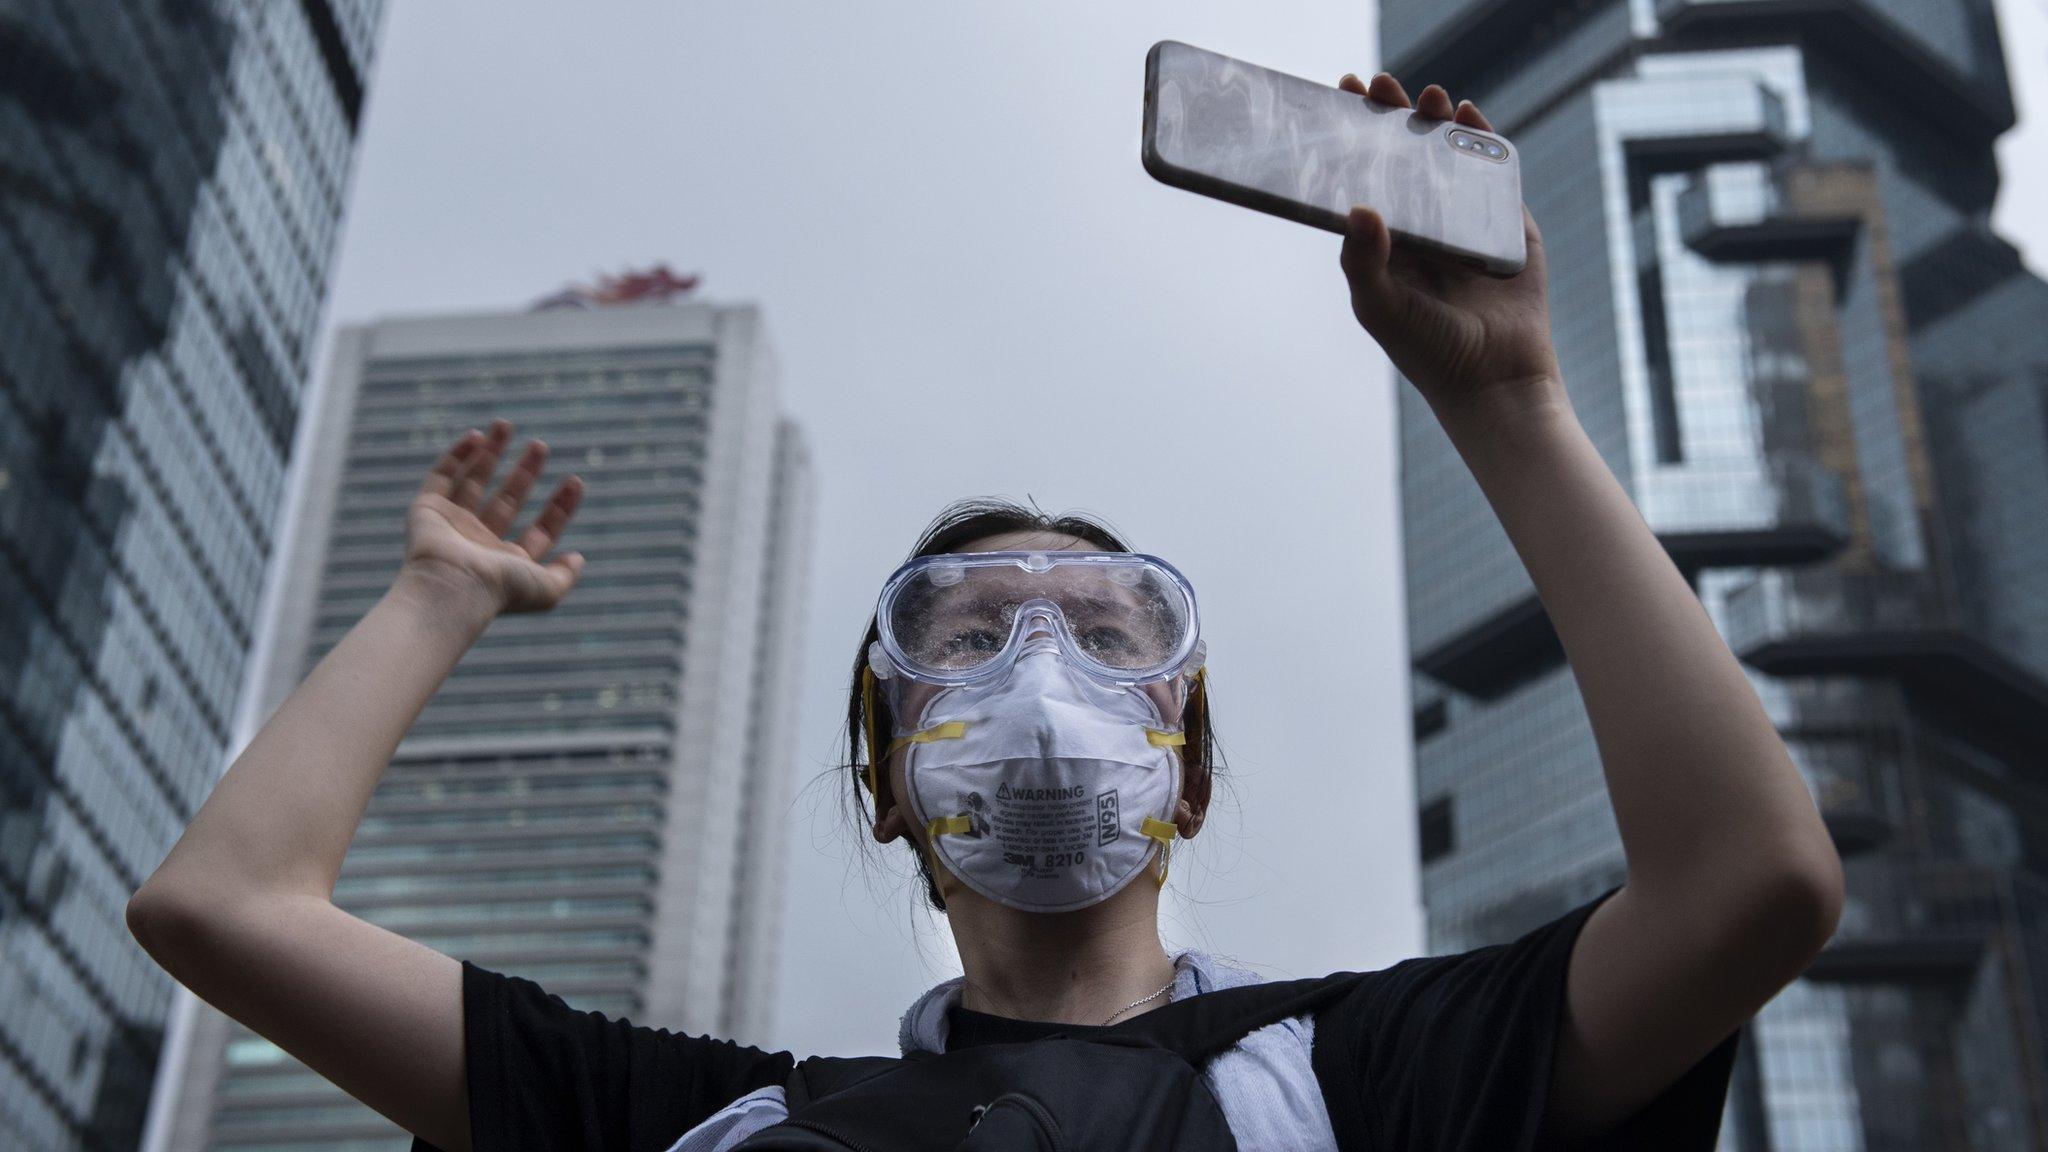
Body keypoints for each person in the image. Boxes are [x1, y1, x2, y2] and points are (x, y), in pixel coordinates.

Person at [127, 75, 1844, 1151]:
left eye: (1111, 635)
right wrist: (440, 591)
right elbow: (225, 909)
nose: (1040, 672)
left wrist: (1511, 397)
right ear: (891, 778)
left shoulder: (1364, 1078)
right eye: (962, 635)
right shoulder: (704, 1118)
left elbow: (1751, 886)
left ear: (1182, 772)